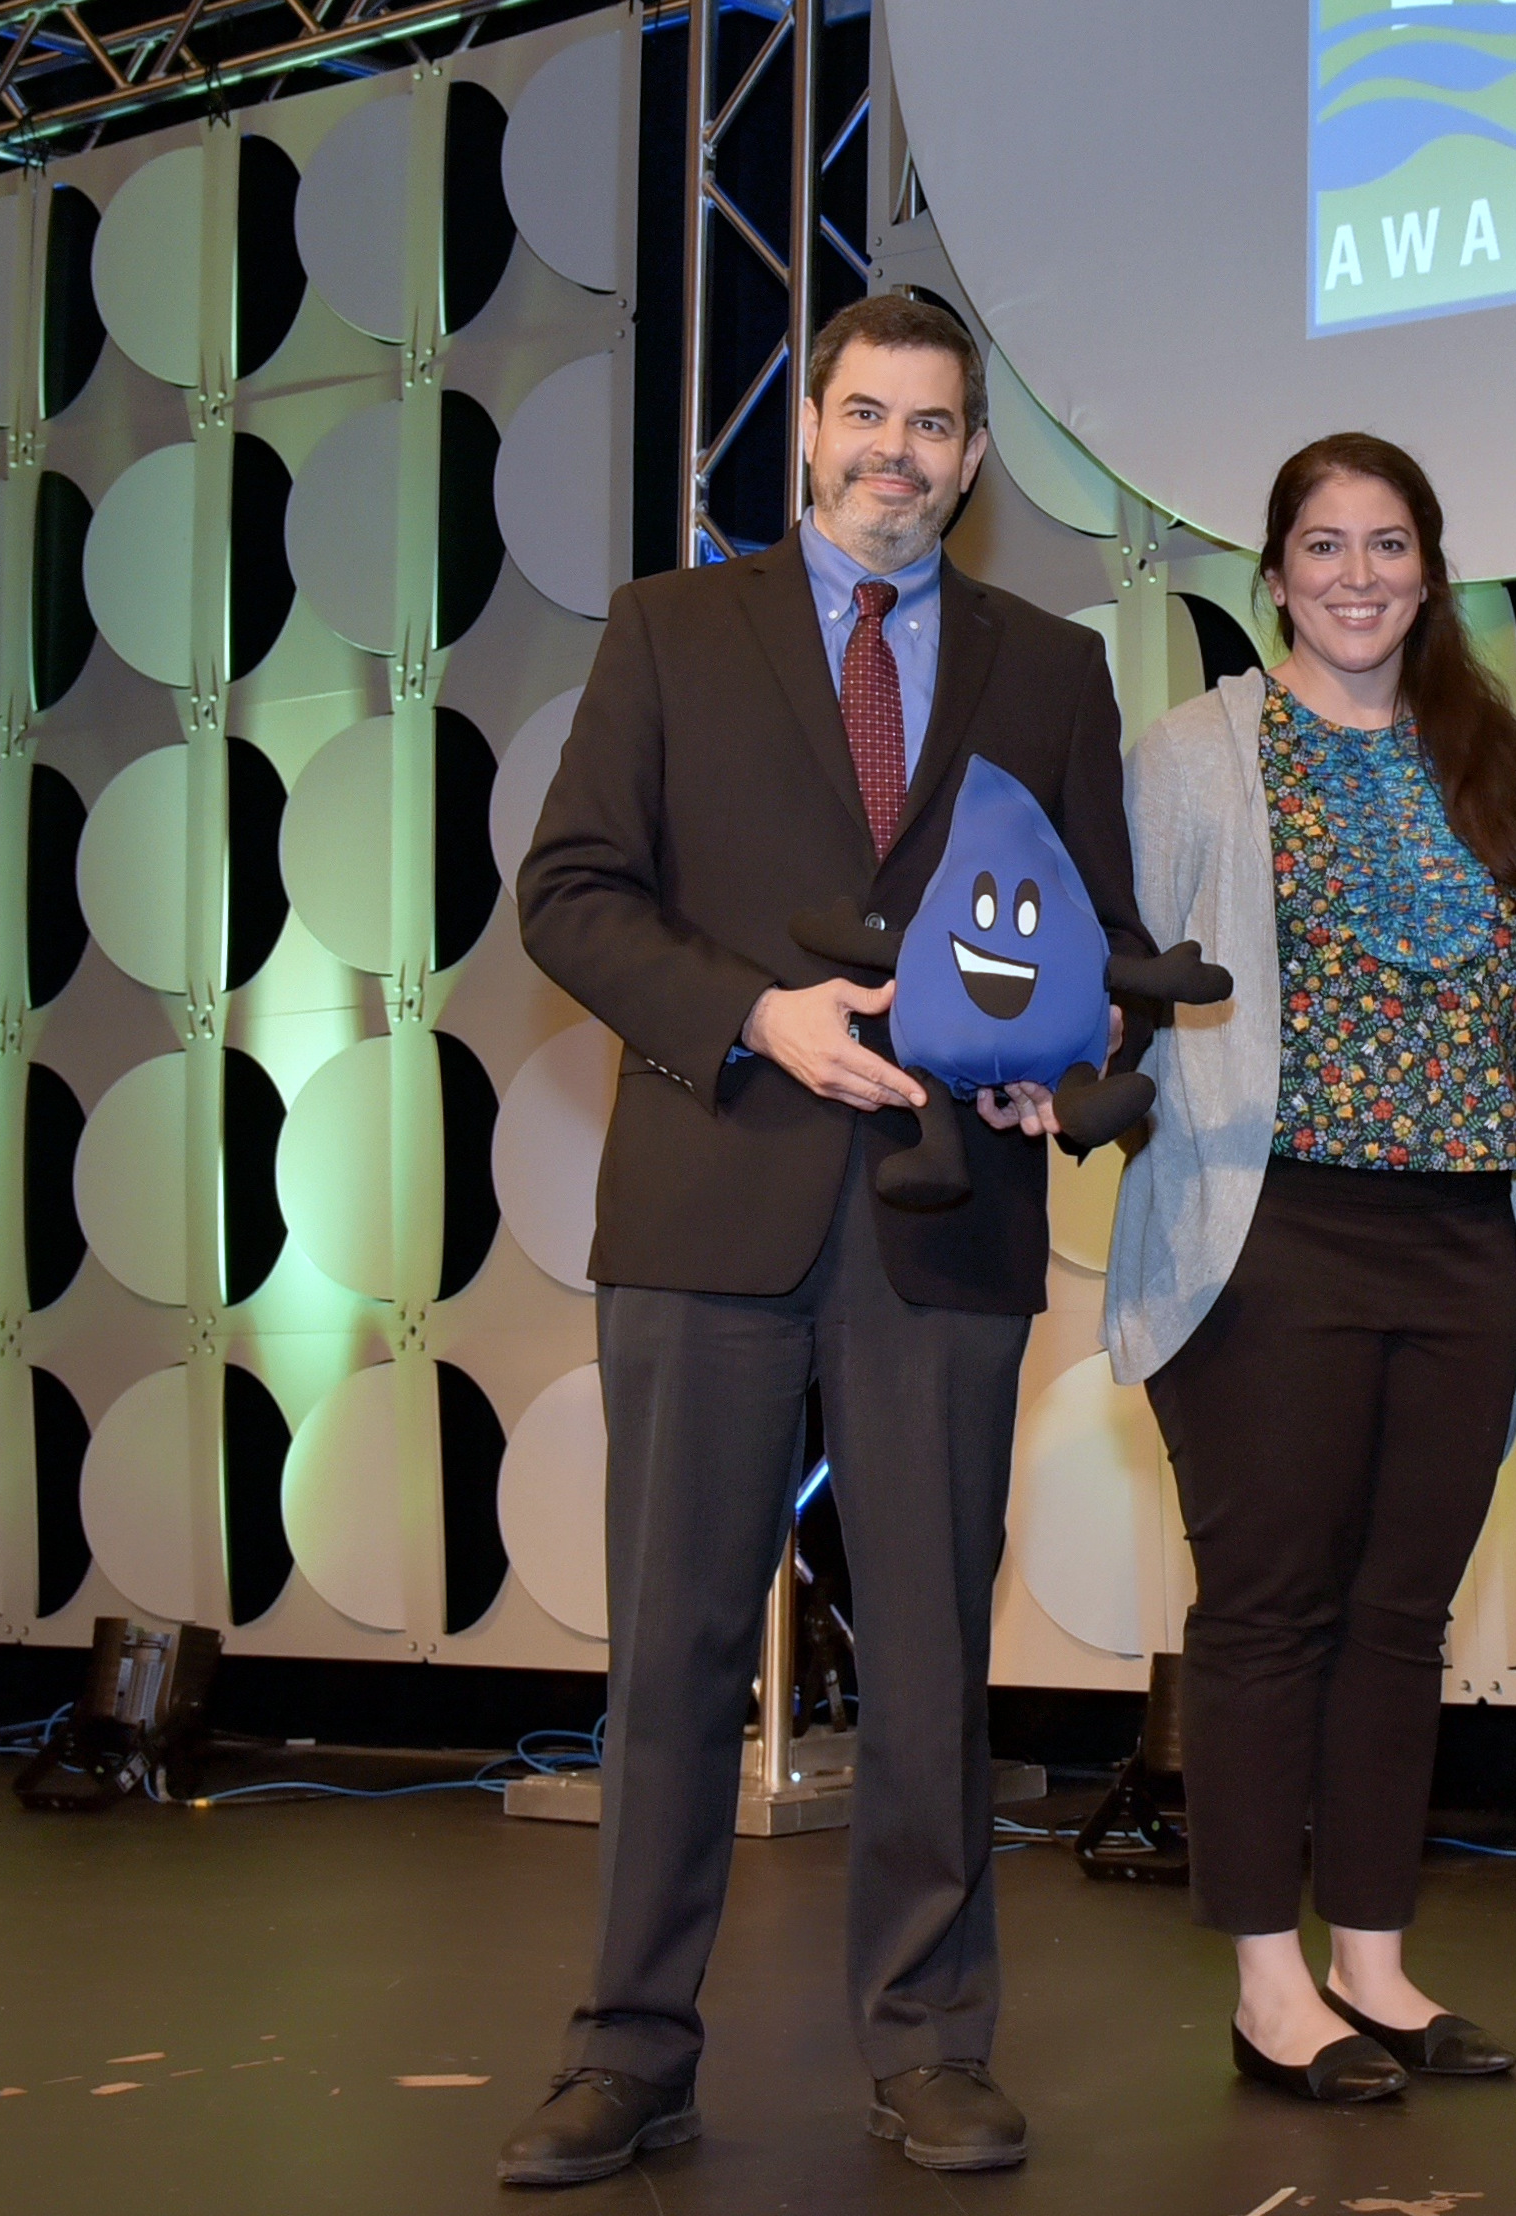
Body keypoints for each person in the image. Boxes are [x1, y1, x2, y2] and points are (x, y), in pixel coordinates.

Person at [506, 287, 1133, 2186]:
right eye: (868, 415)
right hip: (711, 1201)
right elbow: (570, 895)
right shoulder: (669, 630)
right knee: (676, 1649)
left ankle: (932, 2045)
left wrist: (1061, 1079)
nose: (898, 453)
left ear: (973, 456)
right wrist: (749, 1017)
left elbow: (1088, 955)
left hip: (945, 1224)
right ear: (809, 430)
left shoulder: (1048, 665)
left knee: (934, 1650)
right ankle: (628, 2051)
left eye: (935, 425)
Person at [1104, 434, 1516, 2105]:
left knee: (1400, 1617)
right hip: (1267, 1230)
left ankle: (1375, 1961)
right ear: (1275, 573)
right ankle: (1270, 1984)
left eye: (1387, 545)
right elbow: (1121, 994)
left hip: (1461, 1236)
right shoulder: (1196, 753)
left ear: (1429, 569)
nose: (1356, 575)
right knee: (1269, 1614)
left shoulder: (1491, 756)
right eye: (1321, 545)